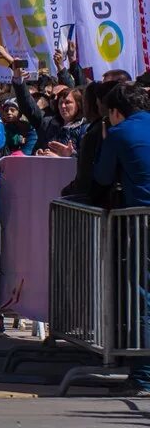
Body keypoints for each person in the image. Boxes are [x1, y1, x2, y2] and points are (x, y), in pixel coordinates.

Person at [93, 83, 150, 396]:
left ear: (115, 112)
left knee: (143, 297)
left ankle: (143, 377)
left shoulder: (118, 133)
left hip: (142, 218)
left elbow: (102, 177)